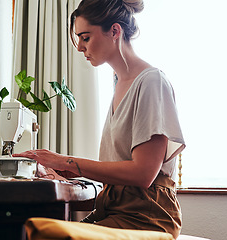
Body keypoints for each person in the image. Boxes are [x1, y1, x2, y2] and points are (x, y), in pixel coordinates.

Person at [13, 0, 185, 238]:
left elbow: (143, 173)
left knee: (44, 233)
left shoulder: (151, 82)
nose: (80, 47)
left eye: (85, 37)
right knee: (33, 229)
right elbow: (122, 164)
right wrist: (68, 170)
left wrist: (66, 161)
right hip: (118, 209)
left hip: (146, 215)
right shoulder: (120, 83)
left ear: (114, 31)